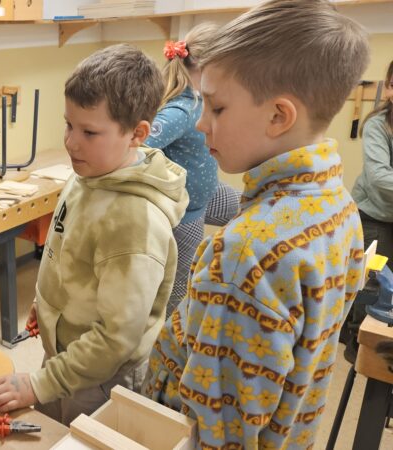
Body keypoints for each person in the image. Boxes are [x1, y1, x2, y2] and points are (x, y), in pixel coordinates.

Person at [144, 0, 369, 448]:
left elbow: (218, 430)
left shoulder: (246, 255)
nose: (203, 124)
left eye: (217, 108)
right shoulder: (340, 205)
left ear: (278, 116)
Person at [0, 44, 189, 426]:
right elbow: (64, 248)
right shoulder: (89, 173)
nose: (70, 142)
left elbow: (115, 340)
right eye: (69, 125)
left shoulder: (135, 222)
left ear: (137, 134)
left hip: (100, 379)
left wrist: (40, 384)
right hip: (65, 359)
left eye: (89, 131)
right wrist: (44, 305)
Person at [144, 23, 241, 317]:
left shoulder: (202, 101)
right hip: (185, 213)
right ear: (207, 67)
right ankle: (165, 342)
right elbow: (139, 147)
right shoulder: (181, 111)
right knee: (178, 289)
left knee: (254, 207)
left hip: (207, 194)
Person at [352, 59, 393, 266]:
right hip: (374, 216)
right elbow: (379, 177)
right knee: (373, 288)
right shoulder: (377, 125)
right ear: (387, 88)